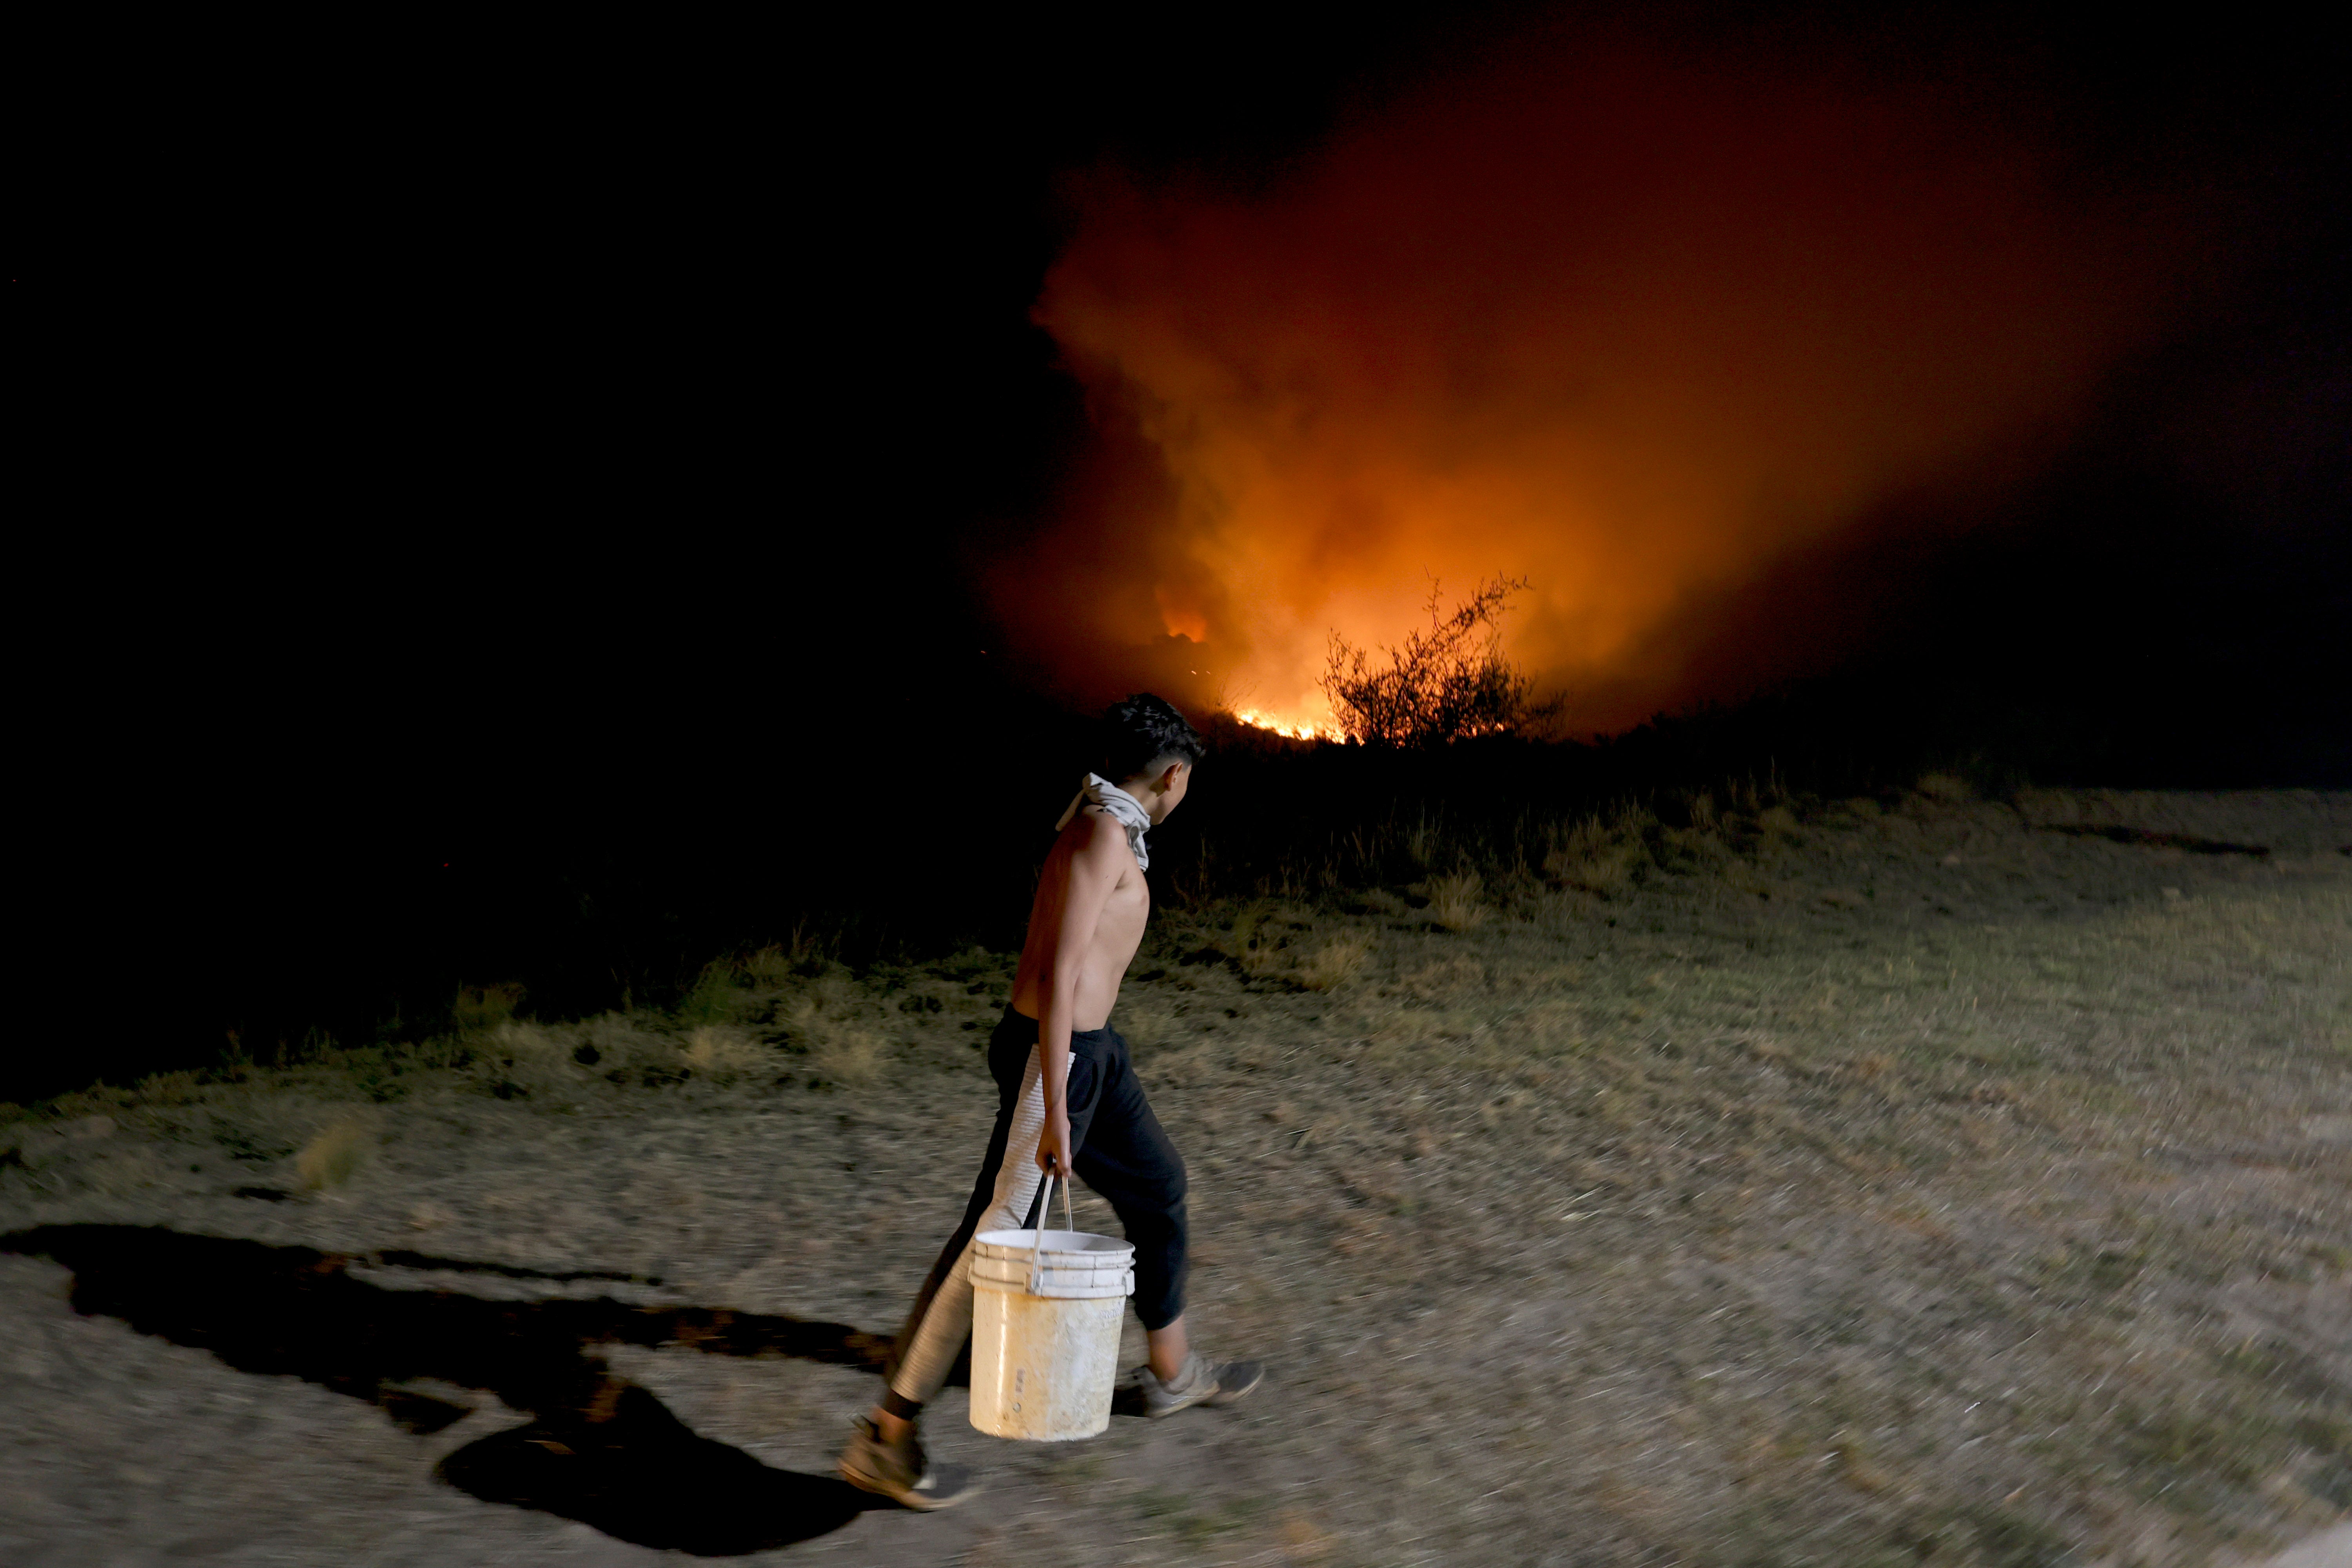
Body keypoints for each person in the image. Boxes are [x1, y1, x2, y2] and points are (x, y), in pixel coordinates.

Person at [838, 694, 1263, 1508]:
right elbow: (1063, 974)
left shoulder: (1102, 817)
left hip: (1091, 1057)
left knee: (1158, 1186)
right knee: (991, 1243)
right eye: (1188, 782)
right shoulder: (1104, 831)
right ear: (1174, 777)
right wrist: (1060, 1111)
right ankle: (885, 1438)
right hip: (1058, 1062)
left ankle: (1173, 1371)